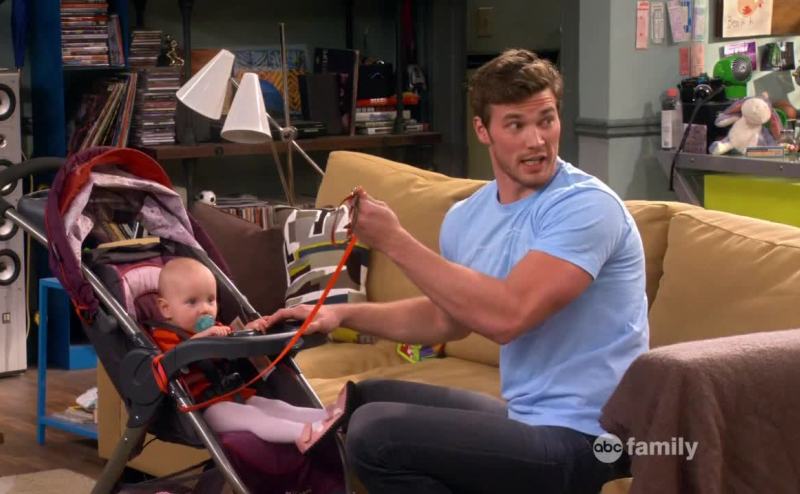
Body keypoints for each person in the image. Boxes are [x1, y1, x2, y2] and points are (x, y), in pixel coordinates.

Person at [265, 48, 649, 493]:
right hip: (528, 419)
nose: (537, 141)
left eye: (546, 120)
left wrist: (394, 240)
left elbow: (508, 317)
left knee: (377, 435)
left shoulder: (586, 207)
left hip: (595, 440)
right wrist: (338, 315)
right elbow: (446, 319)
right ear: (483, 130)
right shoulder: (468, 217)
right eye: (516, 125)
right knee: (363, 399)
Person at [155, 257, 346, 452]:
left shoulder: (217, 328)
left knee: (275, 406)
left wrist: (249, 330)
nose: (205, 309)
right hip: (205, 408)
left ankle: (326, 417)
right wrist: (202, 339)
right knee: (256, 419)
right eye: (192, 302)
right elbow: (168, 362)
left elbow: (235, 341)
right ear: (166, 308)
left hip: (233, 394)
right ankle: (304, 434)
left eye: (210, 300)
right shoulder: (163, 336)